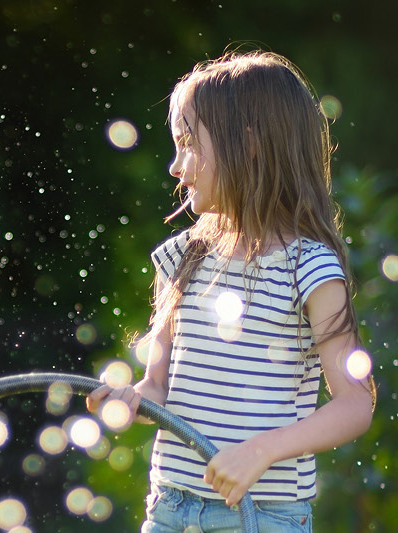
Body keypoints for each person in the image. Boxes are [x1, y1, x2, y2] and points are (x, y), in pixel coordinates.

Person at [86, 50, 375, 532]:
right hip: (171, 509)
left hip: (262, 517)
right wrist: (130, 399)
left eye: (187, 145)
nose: (175, 167)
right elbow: (158, 385)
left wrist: (262, 450)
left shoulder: (311, 269)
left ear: (249, 145)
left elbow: (354, 403)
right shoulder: (181, 257)